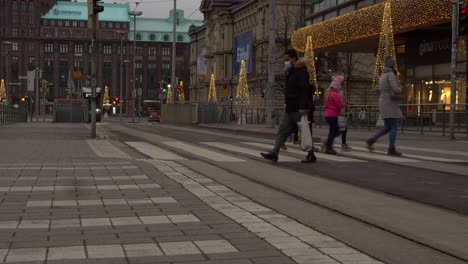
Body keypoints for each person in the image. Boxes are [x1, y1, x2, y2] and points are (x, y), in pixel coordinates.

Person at [261, 49, 316, 163]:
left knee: (305, 131)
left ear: (293, 59)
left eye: (287, 60)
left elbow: (304, 90)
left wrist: (303, 106)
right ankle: (274, 153)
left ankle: (311, 154)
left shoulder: (301, 72)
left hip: (299, 108)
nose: (285, 62)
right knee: (282, 131)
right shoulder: (291, 72)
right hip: (290, 108)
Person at [366, 55, 402, 156]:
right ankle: (391, 148)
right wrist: (401, 90)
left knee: (387, 127)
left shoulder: (382, 75)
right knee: (394, 126)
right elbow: (395, 88)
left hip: (383, 101)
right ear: (392, 65)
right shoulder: (390, 74)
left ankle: (372, 140)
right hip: (390, 102)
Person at [323, 76, 346, 155]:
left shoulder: (328, 93)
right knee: (334, 131)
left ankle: (328, 143)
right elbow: (339, 104)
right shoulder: (335, 94)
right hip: (333, 115)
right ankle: (328, 146)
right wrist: (344, 105)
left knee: (334, 131)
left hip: (328, 114)